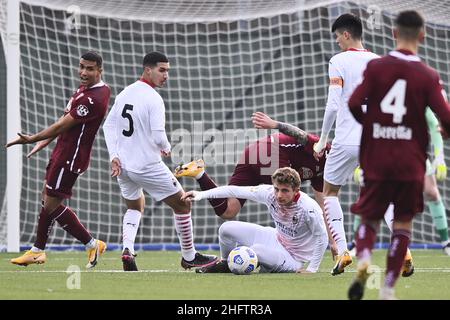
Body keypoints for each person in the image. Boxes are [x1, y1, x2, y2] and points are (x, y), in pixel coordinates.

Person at [347, 10, 450, 300]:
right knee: (402, 223)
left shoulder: (377, 68)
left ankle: (364, 260)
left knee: (369, 219)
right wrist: (443, 131)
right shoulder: (429, 76)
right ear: (423, 35)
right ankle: (388, 289)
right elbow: (446, 118)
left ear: (394, 33)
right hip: (410, 162)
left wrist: (374, 127)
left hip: (378, 157)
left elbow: (355, 103)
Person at [102, 51, 217, 271]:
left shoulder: (126, 92)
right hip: (145, 166)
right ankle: (189, 256)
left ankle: (127, 250)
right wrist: (166, 147)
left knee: (135, 206)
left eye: (168, 71)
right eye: (161, 70)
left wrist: (113, 156)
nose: (166, 75)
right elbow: (158, 135)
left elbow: (109, 126)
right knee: (183, 203)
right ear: (148, 70)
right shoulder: (154, 98)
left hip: (123, 166)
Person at [174, 111, 338, 257]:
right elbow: (301, 135)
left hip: (252, 153)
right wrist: (274, 124)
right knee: (285, 198)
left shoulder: (322, 173)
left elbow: (324, 207)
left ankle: (199, 173)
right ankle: (283, 253)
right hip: (271, 151)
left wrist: (333, 242)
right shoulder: (326, 150)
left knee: (228, 211)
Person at [6, 51, 111, 268]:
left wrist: (34, 138)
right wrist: (46, 141)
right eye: (81, 66)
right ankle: (38, 250)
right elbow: (66, 121)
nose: (83, 72)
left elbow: (64, 125)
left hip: (71, 157)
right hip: (62, 151)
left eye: (90, 69)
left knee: (51, 204)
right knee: (47, 199)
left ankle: (92, 243)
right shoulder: (86, 89)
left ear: (100, 70)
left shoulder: (95, 98)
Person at [311, 13, 380, 276]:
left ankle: (341, 251)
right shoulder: (378, 62)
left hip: (346, 139)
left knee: (329, 192)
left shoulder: (338, 61)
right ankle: (404, 248)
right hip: (374, 139)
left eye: (338, 36)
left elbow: (332, 104)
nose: (337, 41)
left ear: (347, 34)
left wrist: (323, 139)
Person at [181, 167, 329, 274]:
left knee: (256, 250)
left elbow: (322, 236)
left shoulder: (309, 208)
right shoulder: (268, 193)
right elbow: (234, 190)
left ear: (296, 190)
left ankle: (257, 264)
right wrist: (201, 195)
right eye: (277, 189)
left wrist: (311, 269)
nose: (278, 195)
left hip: (294, 257)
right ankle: (225, 263)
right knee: (226, 229)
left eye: (285, 190)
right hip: (276, 238)